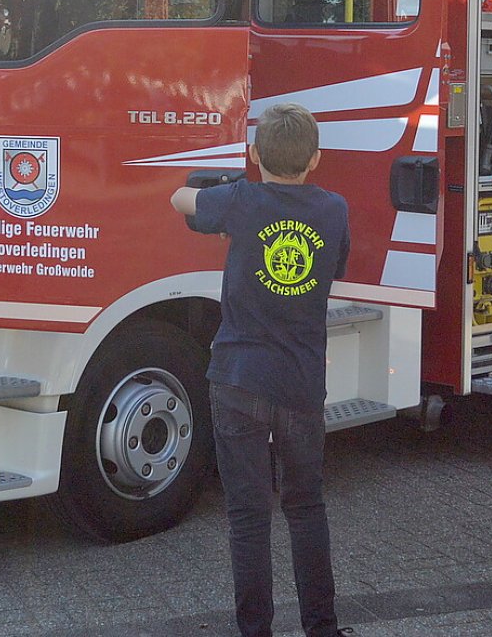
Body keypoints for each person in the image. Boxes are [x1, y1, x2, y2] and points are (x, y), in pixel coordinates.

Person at [171, 103, 353, 637]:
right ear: (315, 158)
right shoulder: (334, 209)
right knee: (305, 506)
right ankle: (322, 627)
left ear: (254, 155)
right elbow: (336, 266)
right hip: (299, 382)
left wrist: (219, 186)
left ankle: (256, 630)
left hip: (236, 377)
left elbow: (180, 199)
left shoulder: (241, 200)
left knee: (248, 517)